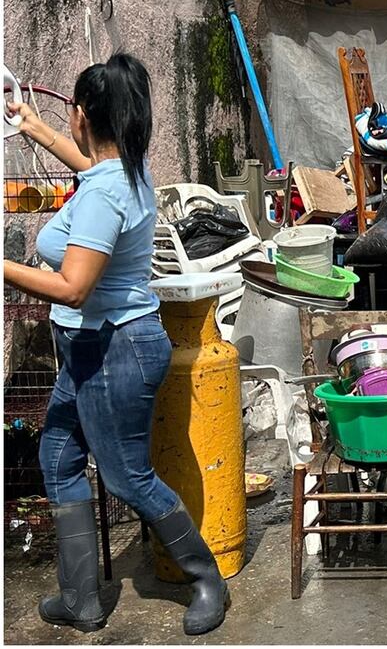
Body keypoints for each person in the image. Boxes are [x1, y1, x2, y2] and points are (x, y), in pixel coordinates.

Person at [3, 54, 228, 635]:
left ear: (83, 115)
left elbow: (73, 288)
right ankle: (81, 598)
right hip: (90, 349)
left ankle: (208, 580)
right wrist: (34, 125)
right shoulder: (123, 167)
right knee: (57, 459)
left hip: (116, 350)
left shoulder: (105, 192)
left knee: (128, 478)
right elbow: (88, 164)